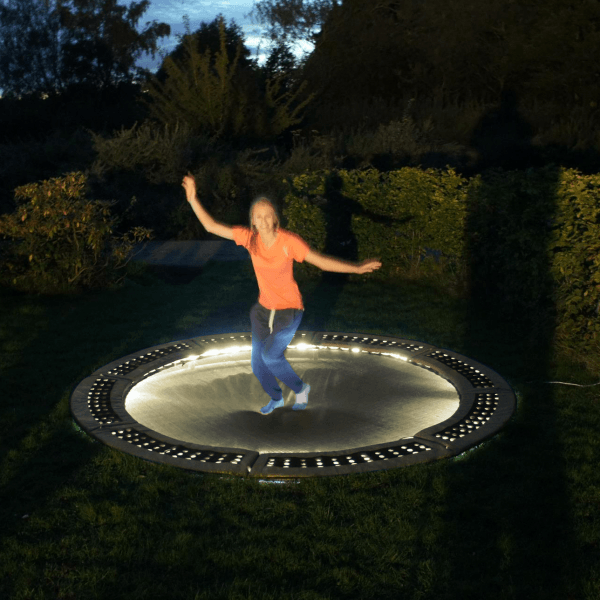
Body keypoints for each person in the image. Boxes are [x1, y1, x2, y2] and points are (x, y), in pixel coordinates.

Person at [182, 174, 382, 414]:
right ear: (253, 221)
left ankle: (300, 389)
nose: (264, 220)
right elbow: (211, 226)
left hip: (289, 309)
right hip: (262, 310)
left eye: (268, 215)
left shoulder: (289, 242)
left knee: (271, 357)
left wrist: (357, 268)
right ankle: (276, 397)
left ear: (275, 218)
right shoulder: (250, 239)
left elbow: (321, 262)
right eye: (258, 216)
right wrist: (193, 198)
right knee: (258, 365)